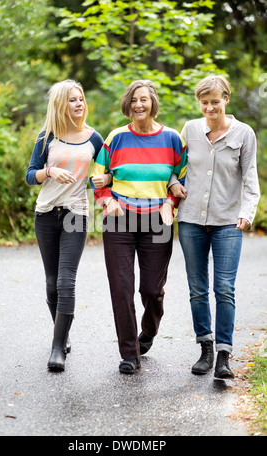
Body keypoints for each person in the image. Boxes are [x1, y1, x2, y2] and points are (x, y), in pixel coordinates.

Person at [90, 79, 187, 374]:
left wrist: (172, 201)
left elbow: (182, 178)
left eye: (144, 99)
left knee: (152, 289)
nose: (138, 105)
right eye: (134, 100)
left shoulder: (172, 139)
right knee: (121, 287)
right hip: (119, 218)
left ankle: (149, 330)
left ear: (153, 103)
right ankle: (129, 353)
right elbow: (98, 175)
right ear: (128, 104)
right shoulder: (116, 137)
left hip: (158, 218)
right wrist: (107, 199)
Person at [170, 75, 260, 379]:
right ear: (199, 103)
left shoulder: (244, 134)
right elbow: (176, 169)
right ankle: (205, 348)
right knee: (197, 289)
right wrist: (173, 184)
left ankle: (224, 353)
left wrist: (247, 213)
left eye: (215, 101)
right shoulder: (190, 130)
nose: (210, 107)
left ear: (226, 99)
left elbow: (250, 180)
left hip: (227, 221)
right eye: (204, 102)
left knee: (224, 288)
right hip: (191, 219)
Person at [25, 79, 103, 371]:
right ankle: (63, 332)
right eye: (72, 99)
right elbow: (30, 175)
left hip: (76, 214)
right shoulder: (46, 137)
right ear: (60, 104)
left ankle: (57, 348)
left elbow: (103, 177)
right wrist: (50, 171)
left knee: (65, 280)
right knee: (50, 282)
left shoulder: (95, 138)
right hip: (46, 214)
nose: (79, 103)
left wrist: (103, 184)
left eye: (81, 98)